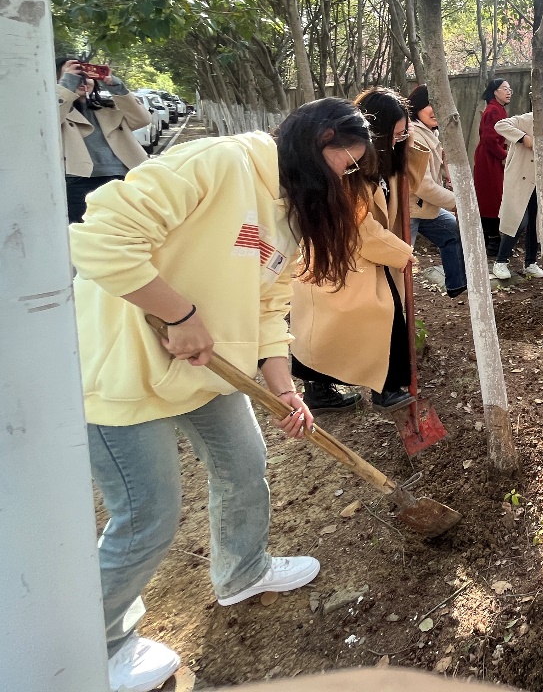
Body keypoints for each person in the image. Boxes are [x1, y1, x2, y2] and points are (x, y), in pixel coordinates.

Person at [69, 98, 370, 692]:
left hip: (213, 370)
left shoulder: (290, 214)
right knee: (146, 516)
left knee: (244, 466)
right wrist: (178, 313)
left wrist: (283, 386)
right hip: (125, 370)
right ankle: (93, 645)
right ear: (321, 138)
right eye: (346, 163)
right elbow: (98, 236)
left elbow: (270, 307)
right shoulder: (219, 162)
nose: (347, 178)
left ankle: (242, 571)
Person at [289, 87, 419, 413]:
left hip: (359, 257)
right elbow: (361, 229)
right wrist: (401, 252)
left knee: (326, 329)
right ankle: (384, 389)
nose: (400, 141)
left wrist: (409, 146)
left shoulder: (380, 161)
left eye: (405, 134)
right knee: (380, 316)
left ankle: (324, 391)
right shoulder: (348, 168)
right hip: (342, 257)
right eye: (396, 134)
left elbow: (411, 190)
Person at [56, 56, 152, 222]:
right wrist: (66, 85)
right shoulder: (55, 110)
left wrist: (118, 88)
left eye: (86, 75)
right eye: (74, 76)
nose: (82, 81)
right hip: (78, 182)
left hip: (122, 178)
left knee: (125, 230)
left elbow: (142, 120)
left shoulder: (107, 108)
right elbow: (51, 120)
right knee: (86, 236)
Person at [491, 91, 543, 281]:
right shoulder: (529, 120)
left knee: (537, 223)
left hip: (541, 182)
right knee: (520, 220)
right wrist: (523, 138)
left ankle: (530, 262)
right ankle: (501, 261)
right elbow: (500, 125)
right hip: (520, 178)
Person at [407, 85, 466, 298]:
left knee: (452, 231)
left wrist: (447, 171)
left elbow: (439, 161)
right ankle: (398, 304)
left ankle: (457, 283)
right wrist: (456, 201)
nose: (434, 110)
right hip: (409, 209)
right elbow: (422, 186)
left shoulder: (431, 132)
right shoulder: (414, 135)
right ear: (416, 108)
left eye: (438, 105)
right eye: (428, 105)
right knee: (402, 260)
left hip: (426, 207)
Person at [473, 78, 512, 255]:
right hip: (490, 159)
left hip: (494, 157)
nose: (508, 91)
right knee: (491, 198)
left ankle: (491, 240)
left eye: (509, 89)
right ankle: (492, 242)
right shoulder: (493, 110)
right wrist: (504, 155)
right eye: (504, 88)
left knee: (493, 198)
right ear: (495, 91)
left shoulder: (498, 109)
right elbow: (489, 139)